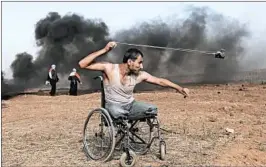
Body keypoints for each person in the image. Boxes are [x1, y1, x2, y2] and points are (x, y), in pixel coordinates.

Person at [78, 41, 189, 120]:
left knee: (152, 109)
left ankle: (128, 122)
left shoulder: (139, 75)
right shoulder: (110, 68)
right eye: (139, 62)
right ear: (130, 62)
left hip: (130, 106)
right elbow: (82, 64)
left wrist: (179, 88)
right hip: (114, 107)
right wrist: (105, 50)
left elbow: (160, 81)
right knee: (117, 112)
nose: (141, 66)